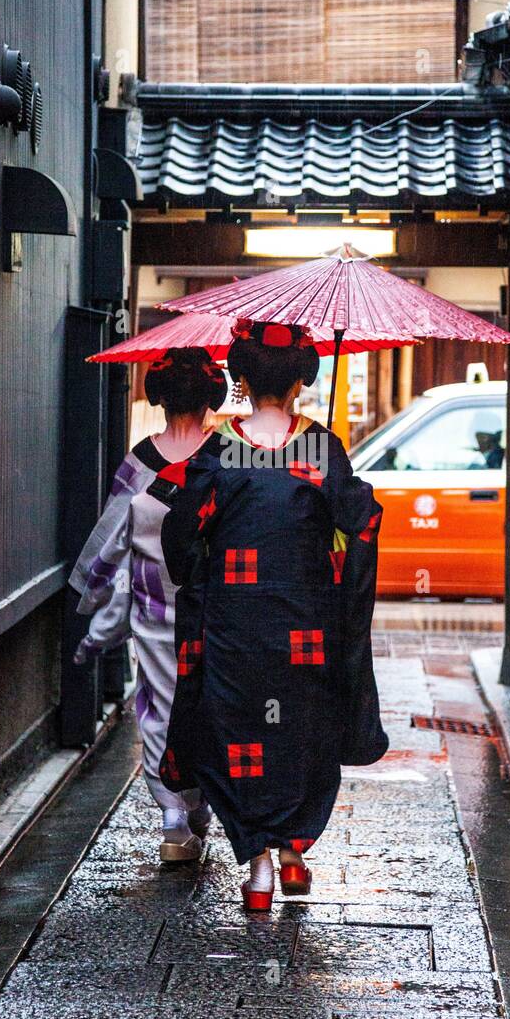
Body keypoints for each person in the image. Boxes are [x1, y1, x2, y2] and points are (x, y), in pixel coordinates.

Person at [157, 320, 388, 911]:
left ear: (237, 376)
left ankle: (258, 866)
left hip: (234, 623)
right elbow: (359, 517)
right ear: (301, 381)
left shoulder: (222, 447)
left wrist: (198, 565)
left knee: (237, 735)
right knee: (302, 734)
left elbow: (183, 528)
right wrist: (343, 526)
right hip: (305, 624)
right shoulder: (319, 446)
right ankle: (293, 855)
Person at [70, 348, 228, 863]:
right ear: (213, 398)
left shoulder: (142, 459)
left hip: (155, 602)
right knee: (210, 703)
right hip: (215, 603)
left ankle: (173, 817)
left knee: (159, 704)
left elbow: (110, 535)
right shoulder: (227, 453)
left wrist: (92, 594)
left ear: (159, 399)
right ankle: (202, 797)